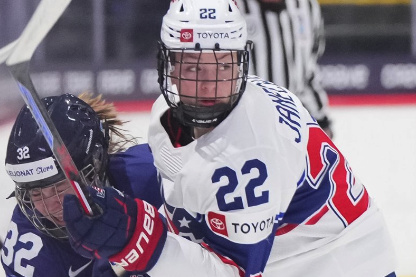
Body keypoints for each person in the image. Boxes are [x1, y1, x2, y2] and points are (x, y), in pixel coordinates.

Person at [63, 0, 396, 276]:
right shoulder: (166, 116)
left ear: (242, 62)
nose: (210, 86)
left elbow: (233, 271)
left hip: (340, 264)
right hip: (289, 254)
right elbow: (191, 210)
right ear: (169, 63)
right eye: (194, 68)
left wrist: (137, 239)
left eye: (223, 66)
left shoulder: (249, 154)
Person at [1, 93, 161, 277]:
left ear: (96, 163)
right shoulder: (31, 246)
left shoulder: (152, 177)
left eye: (60, 188)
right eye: (35, 194)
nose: (49, 206)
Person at [237, 0, 333, 137]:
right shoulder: (230, 7)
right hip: (242, 128)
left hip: (294, 128)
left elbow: (308, 70)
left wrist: (321, 121)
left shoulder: (307, 6)